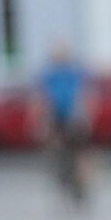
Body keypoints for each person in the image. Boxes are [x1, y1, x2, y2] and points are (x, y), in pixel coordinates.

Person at [39, 40, 91, 204]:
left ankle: (81, 181)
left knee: (80, 152)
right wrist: (42, 121)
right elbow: (43, 98)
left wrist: (85, 116)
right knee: (56, 148)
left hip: (74, 117)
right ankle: (61, 176)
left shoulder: (75, 72)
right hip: (57, 117)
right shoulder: (50, 74)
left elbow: (84, 95)